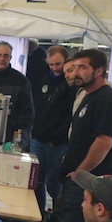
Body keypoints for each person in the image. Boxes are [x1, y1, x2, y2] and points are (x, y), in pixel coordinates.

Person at [59, 49, 112, 222]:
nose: (76, 72)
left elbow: (104, 142)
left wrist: (80, 173)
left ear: (99, 71)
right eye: (74, 67)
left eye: (82, 67)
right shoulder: (88, 96)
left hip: (88, 183)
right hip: (77, 181)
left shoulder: (108, 99)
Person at [30, 45, 74, 211]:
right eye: (51, 64)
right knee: (36, 181)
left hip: (58, 143)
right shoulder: (44, 79)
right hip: (38, 139)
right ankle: (39, 215)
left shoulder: (71, 85)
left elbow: (70, 115)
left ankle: (57, 217)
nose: (55, 68)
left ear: (66, 61)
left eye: (58, 64)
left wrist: (58, 138)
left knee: (55, 185)